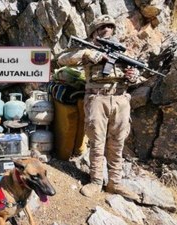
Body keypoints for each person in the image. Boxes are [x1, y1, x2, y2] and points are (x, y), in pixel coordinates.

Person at [57, 15, 146, 201]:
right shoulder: (88, 49)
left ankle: (115, 182)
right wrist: (86, 54)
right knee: (97, 142)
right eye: (101, 27)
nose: (107, 30)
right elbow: (62, 59)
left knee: (118, 142)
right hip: (97, 99)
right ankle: (96, 181)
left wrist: (133, 76)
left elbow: (138, 75)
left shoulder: (122, 52)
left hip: (121, 100)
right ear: (93, 33)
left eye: (109, 26)